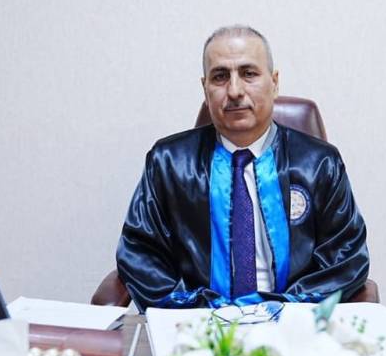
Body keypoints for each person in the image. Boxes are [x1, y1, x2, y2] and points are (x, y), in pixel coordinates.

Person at [116, 25, 369, 310]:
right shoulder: (168, 163)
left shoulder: (319, 164)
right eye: (220, 77)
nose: (234, 91)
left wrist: (281, 309)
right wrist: (200, 310)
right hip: (199, 323)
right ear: (205, 89)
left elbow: (346, 259)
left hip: (293, 323)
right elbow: (140, 253)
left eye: (249, 74)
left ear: (274, 83)